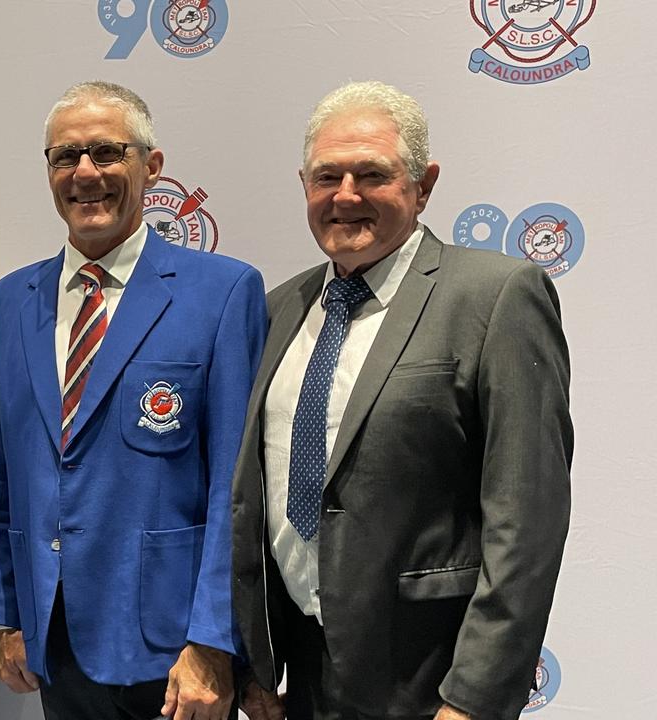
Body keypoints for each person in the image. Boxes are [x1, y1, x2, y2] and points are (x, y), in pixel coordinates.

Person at [231, 80, 572, 720]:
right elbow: (254, 495)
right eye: (327, 176)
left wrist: (473, 699)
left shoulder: (497, 296)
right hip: (302, 674)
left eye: (373, 175)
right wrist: (252, 665)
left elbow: (526, 520)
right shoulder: (279, 309)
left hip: (430, 680)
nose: (347, 195)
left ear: (424, 184)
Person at [0, 80, 267, 720]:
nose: (86, 174)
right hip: (53, 632)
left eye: (108, 153)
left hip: (172, 649)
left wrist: (214, 640)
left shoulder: (223, 293)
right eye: (65, 157)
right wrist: (2, 613)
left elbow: (238, 489)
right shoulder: (9, 302)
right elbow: (1, 470)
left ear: (152, 166)